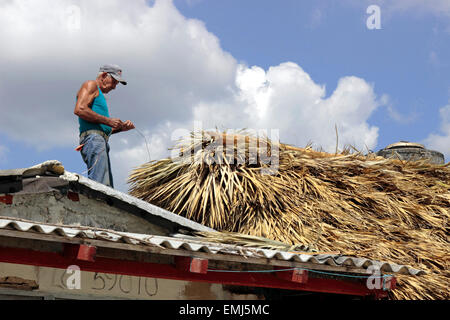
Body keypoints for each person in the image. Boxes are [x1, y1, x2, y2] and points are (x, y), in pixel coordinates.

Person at [74, 64, 135, 188]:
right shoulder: (91, 85)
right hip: (94, 140)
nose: (114, 87)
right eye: (113, 82)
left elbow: (102, 128)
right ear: (103, 75)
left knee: (106, 186)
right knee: (100, 184)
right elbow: (80, 109)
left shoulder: (99, 94)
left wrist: (120, 128)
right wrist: (108, 121)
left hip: (99, 139)